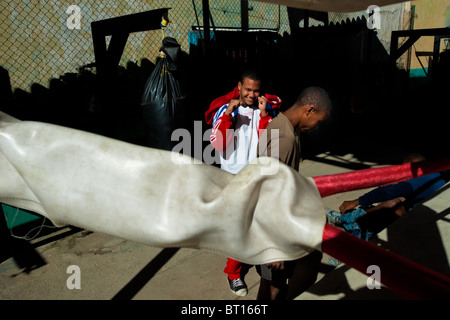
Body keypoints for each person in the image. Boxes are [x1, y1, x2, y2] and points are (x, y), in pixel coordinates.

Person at [208, 69, 281, 297]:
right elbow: (218, 144)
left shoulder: (265, 110)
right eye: (247, 89)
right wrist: (229, 114)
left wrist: (264, 116)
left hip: (256, 175)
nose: (251, 94)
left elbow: (268, 145)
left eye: (256, 90)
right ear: (238, 86)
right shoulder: (226, 109)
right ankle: (233, 272)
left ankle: (255, 258)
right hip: (232, 177)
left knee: (257, 221)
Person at [256, 86, 333, 300]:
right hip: (272, 229)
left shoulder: (281, 125)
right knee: (274, 289)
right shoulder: (285, 139)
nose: (317, 127)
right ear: (309, 110)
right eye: (319, 120)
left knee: (270, 285)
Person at [326, 154, 450, 265]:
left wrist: (357, 201)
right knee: (393, 203)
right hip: (428, 229)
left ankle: (350, 244)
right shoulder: (441, 181)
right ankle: (349, 221)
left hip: (417, 234)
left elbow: (390, 191)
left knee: (390, 209)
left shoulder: (425, 179)